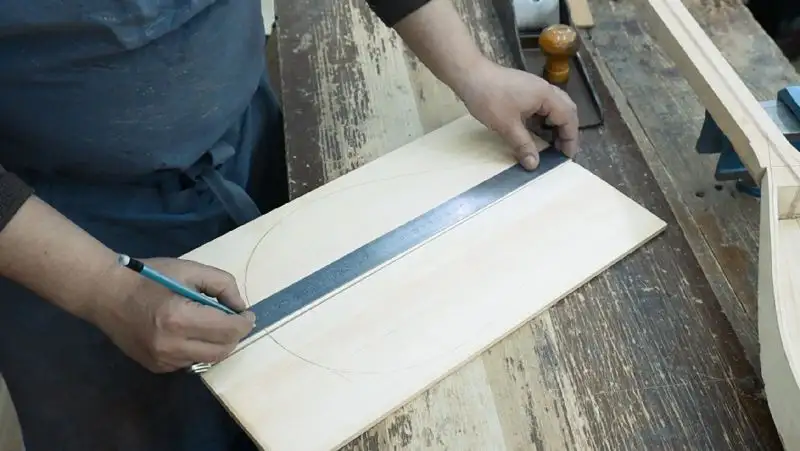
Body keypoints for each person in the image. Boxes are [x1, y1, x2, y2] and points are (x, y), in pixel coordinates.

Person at [0, 0, 579, 449]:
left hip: (241, 139)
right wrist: (102, 288)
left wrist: (473, 72)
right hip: (50, 226)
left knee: (297, 399)